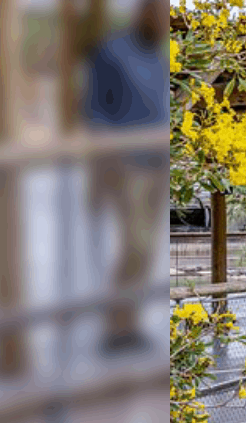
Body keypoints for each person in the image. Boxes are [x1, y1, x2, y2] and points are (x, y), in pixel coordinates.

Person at [86, 0, 170, 355]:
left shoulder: (166, 53)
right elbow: (94, 112)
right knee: (134, 245)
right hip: (129, 166)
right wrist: (102, 168)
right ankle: (115, 325)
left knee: (147, 250)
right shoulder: (112, 51)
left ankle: (127, 324)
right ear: (144, 11)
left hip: (159, 165)